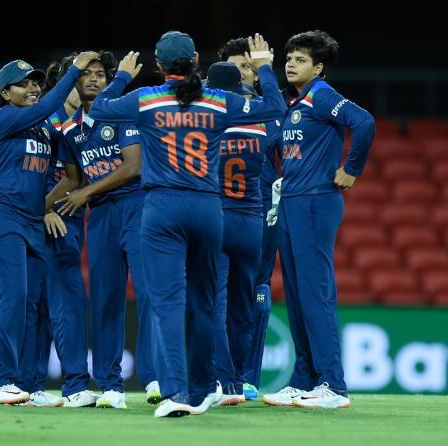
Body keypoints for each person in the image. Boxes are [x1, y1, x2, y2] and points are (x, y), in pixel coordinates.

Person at [89, 31, 285, 417]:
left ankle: (178, 392)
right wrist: (263, 69)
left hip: (162, 207)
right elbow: (275, 108)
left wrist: (123, 76)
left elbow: (99, 110)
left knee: (166, 302)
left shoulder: (145, 99)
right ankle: (201, 390)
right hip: (208, 208)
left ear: (159, 65)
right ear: (196, 59)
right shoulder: (219, 100)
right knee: (205, 300)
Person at [0, 53, 98, 405]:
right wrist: (74, 71)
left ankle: (26, 387)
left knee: (30, 306)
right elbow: (44, 107)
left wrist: (47, 204)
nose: (31, 88)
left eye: (34, 82)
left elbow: (73, 174)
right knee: (10, 300)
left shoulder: (45, 129)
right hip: (1, 215)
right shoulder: (4, 117)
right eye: (23, 84)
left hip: (30, 221)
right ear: (5, 92)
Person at [261, 30, 375, 409]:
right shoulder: (297, 103)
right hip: (292, 202)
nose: (291, 63)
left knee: (314, 293)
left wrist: (351, 168)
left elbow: (364, 122)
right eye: (289, 58)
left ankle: (333, 385)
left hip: (314, 203)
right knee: (295, 296)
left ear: (319, 67)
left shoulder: (322, 95)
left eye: (300, 59)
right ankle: (304, 379)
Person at [45, 51, 160, 409]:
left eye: (100, 74)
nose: (94, 79)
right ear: (75, 82)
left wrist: (86, 192)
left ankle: (157, 377)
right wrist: (35, 208)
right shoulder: (68, 130)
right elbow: (73, 180)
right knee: (105, 299)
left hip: (137, 206)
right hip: (101, 216)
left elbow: (133, 167)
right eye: (86, 74)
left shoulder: (124, 112)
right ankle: (111, 385)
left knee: (148, 293)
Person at [24, 58, 99, 408]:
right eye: (80, 76)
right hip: (54, 219)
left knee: (47, 302)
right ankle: (73, 385)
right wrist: (46, 208)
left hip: (65, 214)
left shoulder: (81, 122)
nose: (87, 83)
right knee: (63, 299)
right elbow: (25, 173)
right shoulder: (47, 120)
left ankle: (32, 384)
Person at [218, 36, 284, 401]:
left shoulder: (269, 114)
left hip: (261, 216)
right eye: (237, 67)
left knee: (256, 294)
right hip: (222, 213)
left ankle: (247, 377)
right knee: (215, 295)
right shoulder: (210, 111)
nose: (245, 73)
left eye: (249, 66)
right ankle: (217, 375)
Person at [206, 61, 274, 407]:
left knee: (213, 303)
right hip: (251, 220)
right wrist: (266, 72)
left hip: (216, 217)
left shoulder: (206, 121)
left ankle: (224, 379)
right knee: (243, 303)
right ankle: (245, 379)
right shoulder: (259, 121)